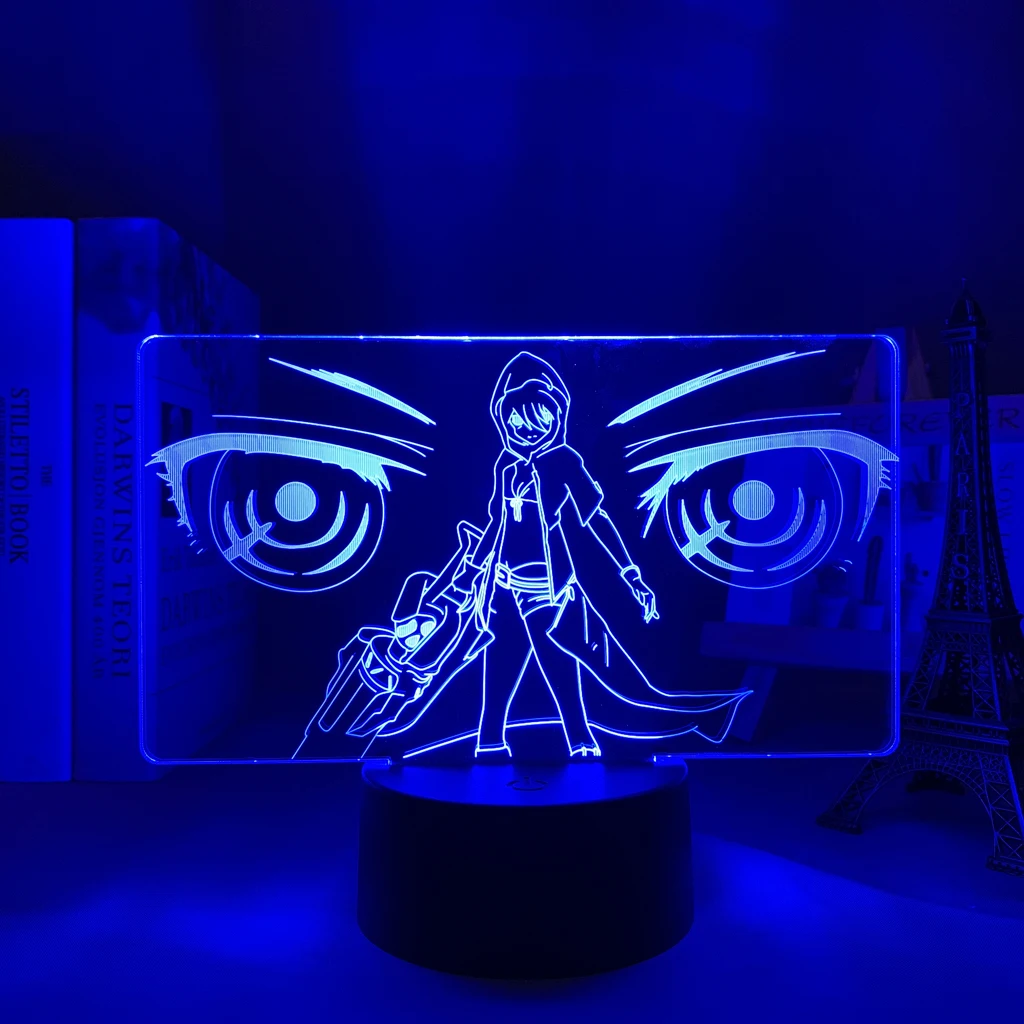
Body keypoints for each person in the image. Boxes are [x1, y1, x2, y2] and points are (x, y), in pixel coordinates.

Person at [453, 352, 748, 759]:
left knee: (560, 663)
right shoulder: (506, 468)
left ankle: (581, 741)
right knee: (499, 662)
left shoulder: (563, 462)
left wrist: (631, 574)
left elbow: (597, 519)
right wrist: (470, 570)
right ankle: (489, 742)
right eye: (517, 422)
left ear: (555, 419)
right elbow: (498, 524)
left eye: (538, 422)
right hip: (502, 584)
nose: (526, 431)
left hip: (545, 588)